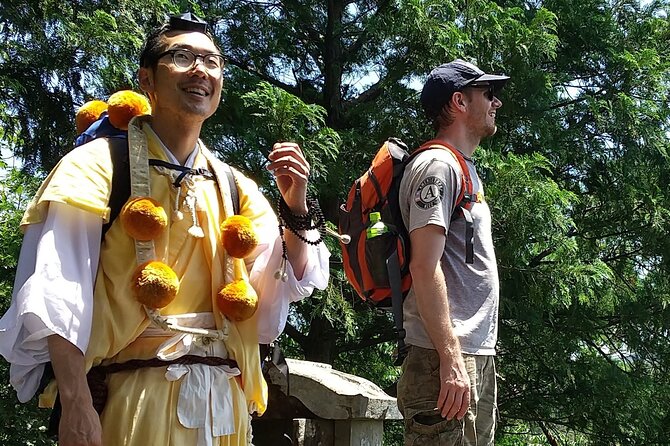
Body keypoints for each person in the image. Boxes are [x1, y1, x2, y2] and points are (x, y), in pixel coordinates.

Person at [0, 12, 329, 446]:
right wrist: (76, 403)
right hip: (129, 397)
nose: (201, 70)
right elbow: (58, 291)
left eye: (212, 61)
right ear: (147, 79)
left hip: (224, 405)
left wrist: (295, 206)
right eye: (182, 56)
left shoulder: (234, 186)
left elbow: (272, 296)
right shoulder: (96, 166)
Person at [396, 59, 509, 445]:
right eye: (488, 94)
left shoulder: (464, 169)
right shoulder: (437, 166)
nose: (497, 103)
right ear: (459, 101)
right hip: (442, 359)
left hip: (470, 354)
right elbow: (424, 267)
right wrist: (450, 358)